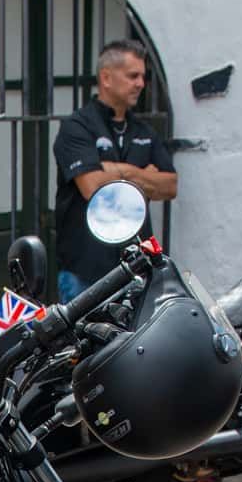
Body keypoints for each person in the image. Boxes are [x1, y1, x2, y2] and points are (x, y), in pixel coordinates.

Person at [53, 39, 178, 305]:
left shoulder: (144, 131)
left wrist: (119, 170)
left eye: (143, 77)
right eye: (133, 76)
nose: (141, 84)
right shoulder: (77, 127)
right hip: (85, 270)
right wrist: (144, 177)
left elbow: (169, 186)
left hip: (137, 269)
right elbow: (93, 187)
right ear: (106, 78)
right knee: (85, 345)